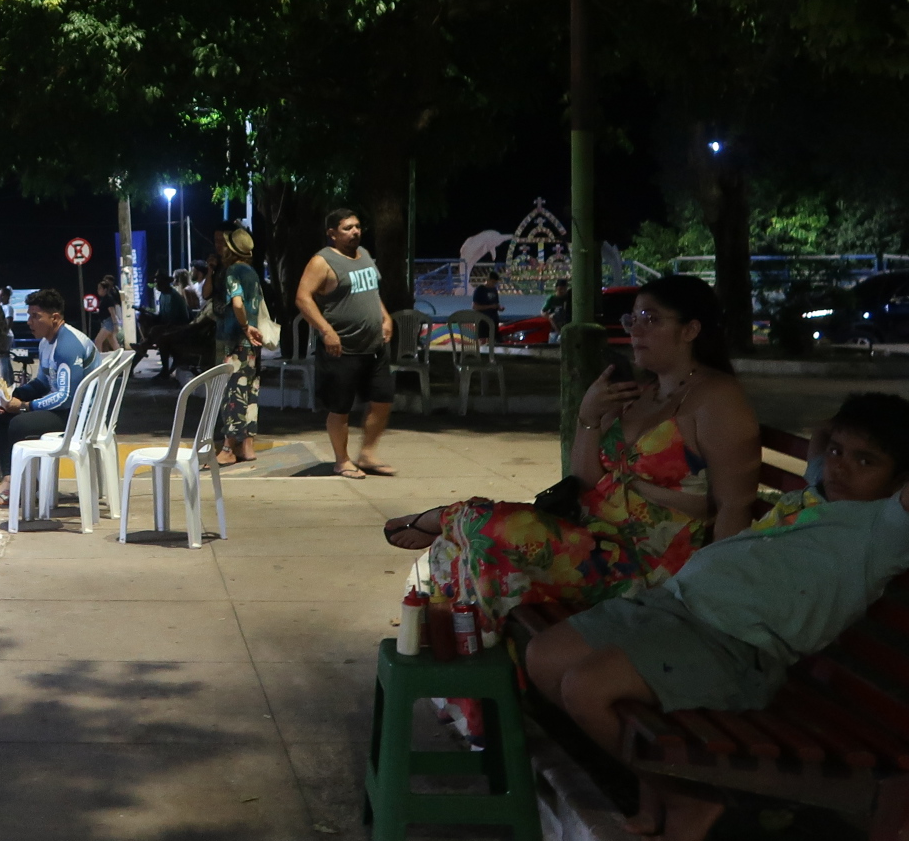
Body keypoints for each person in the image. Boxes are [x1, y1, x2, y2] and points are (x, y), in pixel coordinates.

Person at [525, 393, 909, 841]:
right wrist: (846, 435)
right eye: (840, 453)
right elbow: (825, 431)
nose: (840, 466)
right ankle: (655, 778)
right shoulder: (821, 488)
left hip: (732, 647)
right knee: (542, 658)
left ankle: (688, 800)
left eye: (866, 461)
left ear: (901, 479)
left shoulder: (887, 528)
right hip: (671, 607)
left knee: (585, 688)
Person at [380, 273, 764, 628]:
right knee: (465, 551)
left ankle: (441, 517)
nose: (636, 330)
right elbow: (585, 481)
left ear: (691, 330)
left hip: (645, 565)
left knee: (487, 527)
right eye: (633, 319)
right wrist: (589, 417)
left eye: (651, 319)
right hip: (592, 538)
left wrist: (709, 595)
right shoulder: (642, 393)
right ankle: (475, 685)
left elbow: (734, 506)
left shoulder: (716, 399)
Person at [294, 207, 397, 477]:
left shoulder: (364, 256)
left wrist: (386, 318)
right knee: (340, 408)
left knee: (382, 399)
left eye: (357, 226)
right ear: (332, 234)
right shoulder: (323, 261)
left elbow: (372, 292)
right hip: (342, 348)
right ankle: (342, 460)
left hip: (374, 346)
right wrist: (326, 330)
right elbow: (303, 298)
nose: (355, 232)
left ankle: (367, 454)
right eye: (348, 228)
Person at [0, 288, 97, 500]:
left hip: (79, 416)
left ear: (54, 318)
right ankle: (10, 478)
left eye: (36, 316)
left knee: (19, 424)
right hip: (65, 409)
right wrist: (11, 397)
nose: (29, 322)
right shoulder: (46, 343)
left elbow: (65, 397)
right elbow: (42, 382)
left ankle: (26, 485)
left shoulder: (67, 346)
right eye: (29, 315)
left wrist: (25, 406)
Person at [209, 224, 266, 467]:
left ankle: (228, 448)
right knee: (250, 391)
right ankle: (247, 447)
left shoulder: (232, 271)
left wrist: (243, 326)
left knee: (231, 392)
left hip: (235, 339)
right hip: (253, 342)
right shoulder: (252, 272)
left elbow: (238, 303)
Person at [470, 267, 503, 340]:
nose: (494, 284)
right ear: (488, 280)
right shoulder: (480, 290)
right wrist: (490, 306)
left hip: (493, 320)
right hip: (483, 320)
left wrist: (499, 308)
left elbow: (496, 303)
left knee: (495, 340)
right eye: (493, 282)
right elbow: (475, 307)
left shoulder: (494, 290)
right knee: (483, 340)